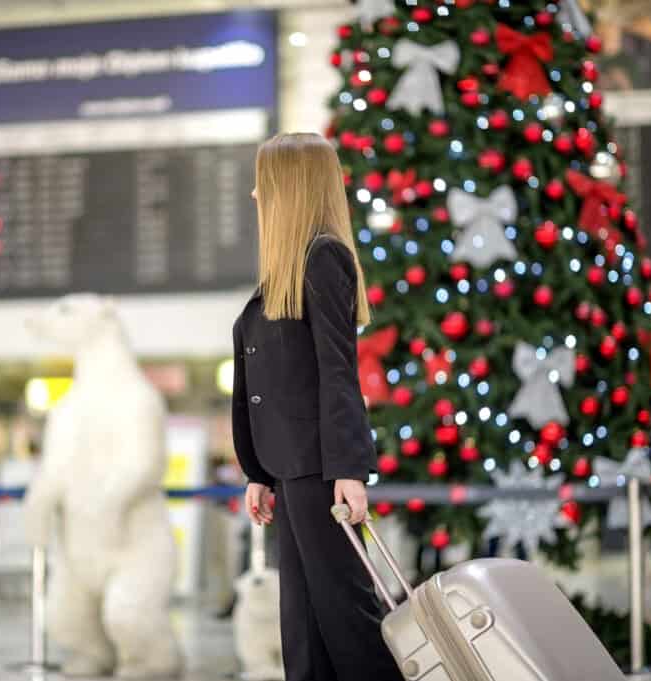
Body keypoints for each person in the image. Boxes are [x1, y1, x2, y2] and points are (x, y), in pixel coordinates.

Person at [231, 132, 400, 681]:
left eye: (265, 182)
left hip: (320, 471)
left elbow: (337, 372)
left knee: (347, 622)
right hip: (291, 471)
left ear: (290, 187)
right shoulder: (281, 274)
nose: (256, 194)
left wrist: (349, 470)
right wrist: (259, 472)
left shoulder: (323, 258)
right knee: (304, 628)